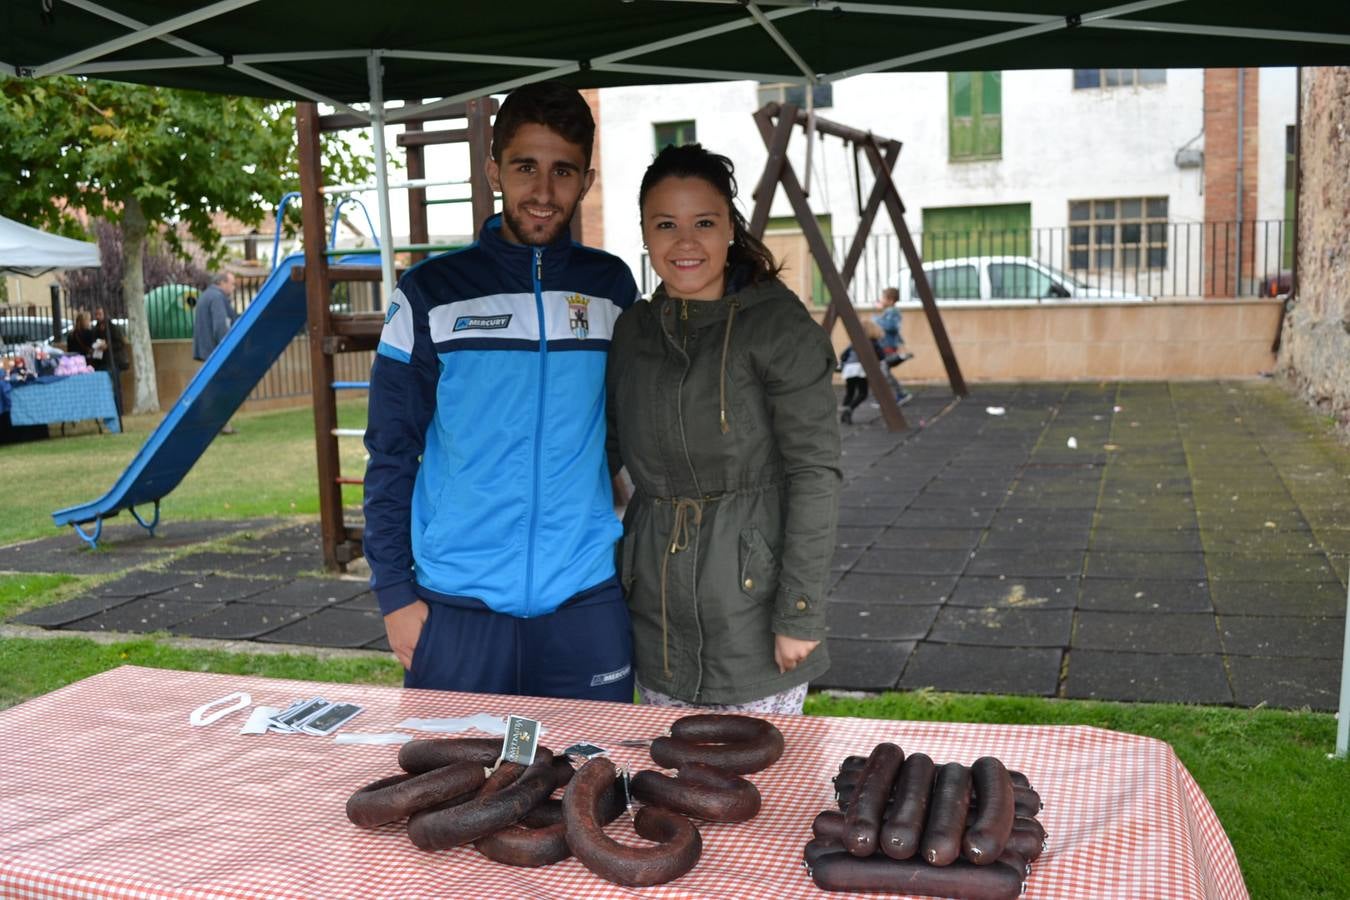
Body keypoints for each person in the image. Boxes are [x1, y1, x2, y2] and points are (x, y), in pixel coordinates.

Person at [363, 81, 638, 701]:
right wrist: (395, 595)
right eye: (525, 167)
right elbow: (390, 451)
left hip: (584, 602)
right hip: (455, 605)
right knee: (451, 769)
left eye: (563, 171)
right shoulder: (430, 293)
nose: (543, 192)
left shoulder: (611, 289)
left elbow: (632, 427)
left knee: (595, 765)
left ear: (586, 181)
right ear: (494, 172)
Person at [606, 144, 842, 715]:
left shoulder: (778, 328)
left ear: (731, 229)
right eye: (666, 224)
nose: (685, 242)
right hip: (656, 613)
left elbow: (815, 473)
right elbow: (604, 451)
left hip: (752, 611)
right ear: (645, 234)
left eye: (705, 223)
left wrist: (800, 612)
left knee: (758, 770)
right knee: (666, 766)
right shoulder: (633, 331)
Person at [839, 319, 886, 424]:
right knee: (863, 393)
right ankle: (849, 409)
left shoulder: (854, 342)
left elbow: (843, 356)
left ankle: (844, 414)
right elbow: (881, 355)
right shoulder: (873, 342)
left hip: (849, 369)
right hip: (861, 368)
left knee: (850, 393)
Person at [873, 287, 913, 405]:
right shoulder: (889, 311)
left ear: (890, 301)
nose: (881, 300)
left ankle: (898, 395)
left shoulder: (893, 312)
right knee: (883, 372)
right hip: (885, 345)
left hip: (888, 347)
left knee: (883, 372)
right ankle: (892, 396)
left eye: (883, 298)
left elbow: (892, 327)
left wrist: (876, 319)